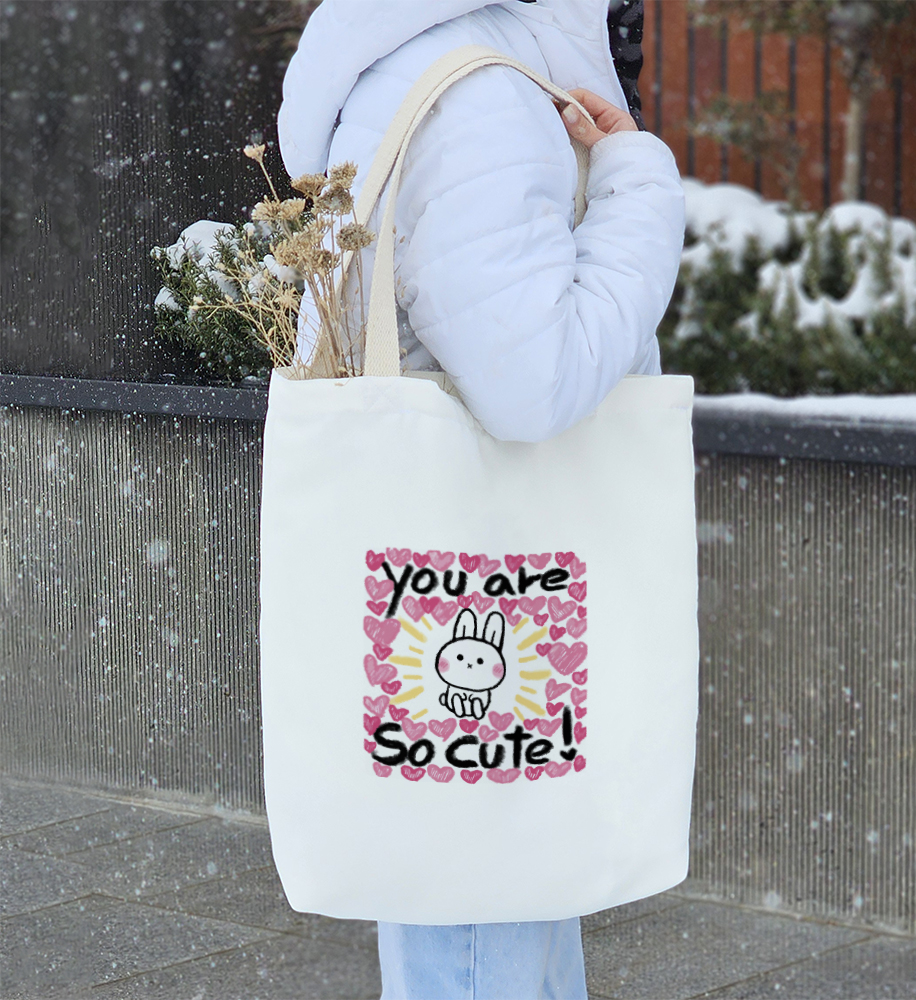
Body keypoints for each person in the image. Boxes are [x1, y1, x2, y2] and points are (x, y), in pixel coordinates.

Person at [278, 1, 685, 996]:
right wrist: (637, 185)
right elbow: (532, 384)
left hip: (459, 570)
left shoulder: (431, 60)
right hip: (495, 569)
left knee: (488, 891)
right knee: (483, 911)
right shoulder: (479, 95)